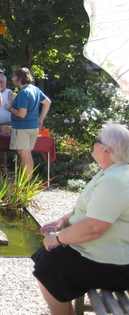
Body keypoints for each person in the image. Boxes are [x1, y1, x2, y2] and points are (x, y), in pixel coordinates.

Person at [32, 123, 129, 315]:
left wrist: (58, 238)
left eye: (96, 140)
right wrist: (62, 222)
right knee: (45, 257)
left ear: (106, 150)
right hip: (104, 255)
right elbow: (87, 211)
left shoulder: (114, 179)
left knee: (50, 266)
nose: (93, 143)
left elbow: (93, 227)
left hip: (116, 264)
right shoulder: (110, 172)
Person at [4, 68, 51, 175]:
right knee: (28, 154)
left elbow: (21, 114)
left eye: (14, 76)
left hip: (22, 127)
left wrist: (9, 108)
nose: (12, 78)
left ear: (19, 78)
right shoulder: (35, 89)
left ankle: (25, 183)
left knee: (24, 155)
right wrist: (41, 119)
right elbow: (47, 102)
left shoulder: (23, 93)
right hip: (33, 127)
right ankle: (28, 182)